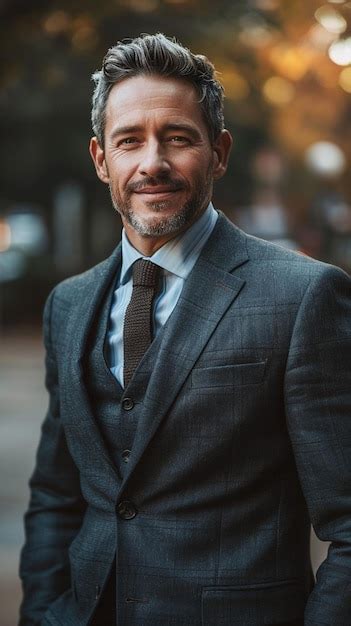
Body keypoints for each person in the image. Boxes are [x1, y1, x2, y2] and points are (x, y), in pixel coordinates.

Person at [19, 33, 351, 626]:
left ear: (218, 152)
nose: (153, 163)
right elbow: (55, 495)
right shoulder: (66, 306)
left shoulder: (304, 297)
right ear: (101, 159)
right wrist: (44, 610)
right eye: (130, 141)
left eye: (178, 138)